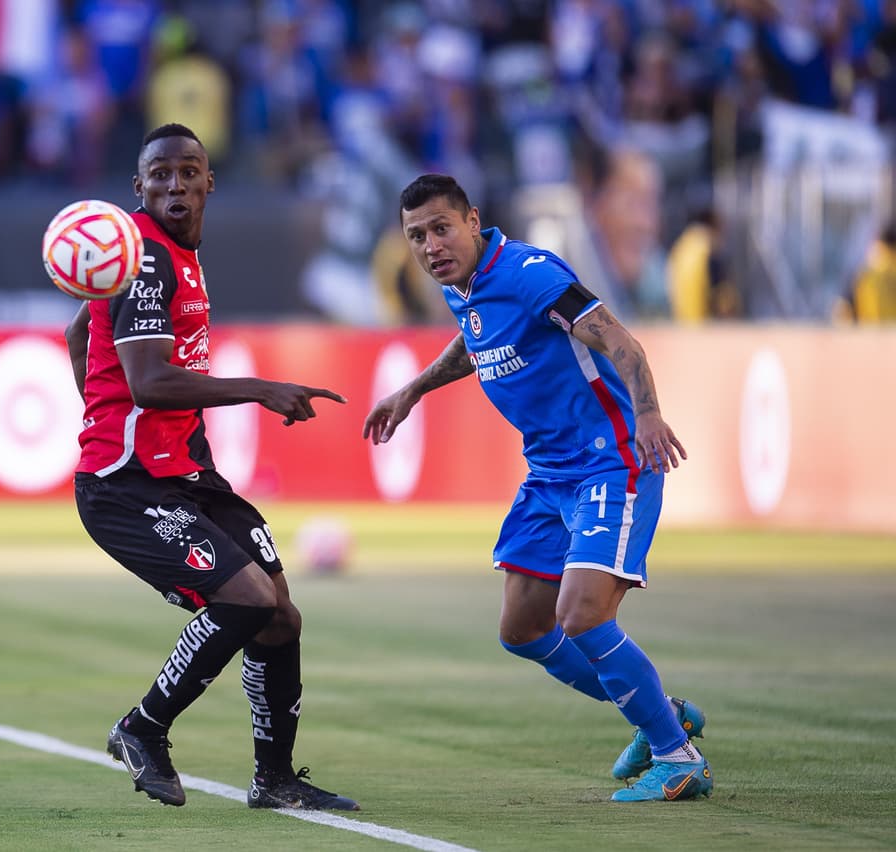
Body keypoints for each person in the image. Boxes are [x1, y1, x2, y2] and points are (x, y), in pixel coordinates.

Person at [363, 174, 711, 803]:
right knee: (522, 629)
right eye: (417, 236)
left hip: (608, 462)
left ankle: (676, 757)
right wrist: (412, 390)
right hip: (548, 473)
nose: (431, 245)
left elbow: (614, 337)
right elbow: (475, 343)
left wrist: (649, 413)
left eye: (441, 228)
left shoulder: (528, 272)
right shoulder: (465, 287)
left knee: (581, 615)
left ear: (473, 220)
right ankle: (664, 712)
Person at [63, 123, 357, 811]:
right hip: (125, 485)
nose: (174, 184)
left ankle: (275, 780)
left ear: (207, 182)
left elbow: (80, 332)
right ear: (138, 187)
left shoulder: (171, 252)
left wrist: (103, 404)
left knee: (281, 617)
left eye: (187, 171)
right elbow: (151, 384)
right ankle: (143, 727)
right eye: (159, 174)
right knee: (246, 600)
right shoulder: (143, 259)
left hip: (185, 475)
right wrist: (258, 390)